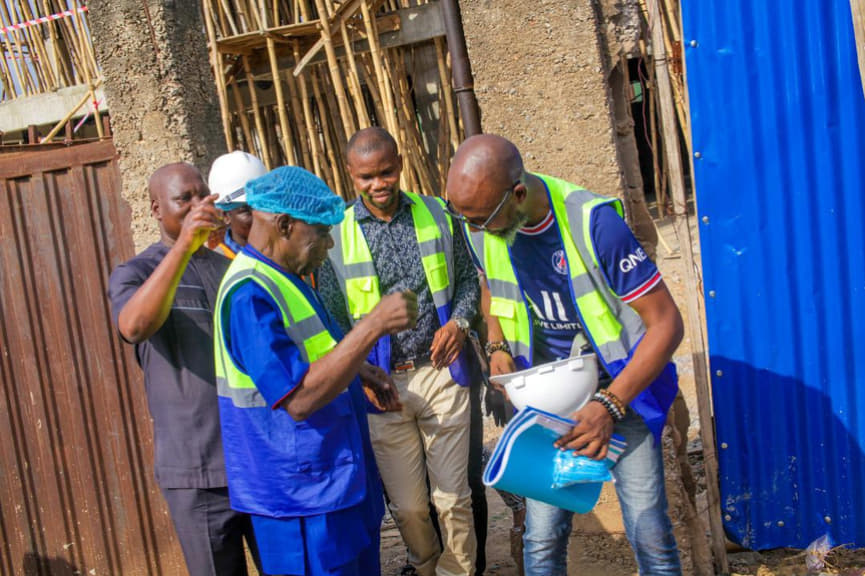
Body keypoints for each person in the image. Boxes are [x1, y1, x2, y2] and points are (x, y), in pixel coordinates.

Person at [445, 134, 684, 576]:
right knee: (541, 538)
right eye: (465, 219)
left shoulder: (593, 224)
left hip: (621, 394)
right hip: (549, 401)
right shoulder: (479, 224)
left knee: (649, 532)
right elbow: (488, 287)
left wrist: (609, 404)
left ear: (517, 194)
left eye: (480, 219)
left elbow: (667, 323)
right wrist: (496, 344)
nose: (472, 230)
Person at [213, 165, 417, 576]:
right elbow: (300, 399)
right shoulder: (249, 294)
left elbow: (310, 355)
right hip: (300, 501)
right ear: (285, 224)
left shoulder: (288, 277)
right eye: (321, 232)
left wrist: (358, 370)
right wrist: (371, 327)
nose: (328, 244)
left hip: (334, 483)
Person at [317, 127, 480, 576]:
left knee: (453, 499)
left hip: (441, 373)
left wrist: (460, 323)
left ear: (400, 163)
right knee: (409, 508)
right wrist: (359, 374)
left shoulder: (437, 213)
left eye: (386, 172)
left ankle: (458, 573)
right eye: (367, 177)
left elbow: (468, 279)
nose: (379, 184)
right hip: (381, 386)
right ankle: (425, 565)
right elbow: (331, 321)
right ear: (351, 175)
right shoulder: (335, 235)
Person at [108, 163, 257, 576]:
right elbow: (135, 326)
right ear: (156, 210)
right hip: (196, 474)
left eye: (201, 195)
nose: (197, 205)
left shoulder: (227, 269)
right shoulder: (135, 273)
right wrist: (184, 246)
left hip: (253, 462)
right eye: (183, 199)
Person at [208, 151, 267, 258]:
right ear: (225, 216)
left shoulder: (288, 255)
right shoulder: (217, 265)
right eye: (247, 210)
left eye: (263, 205)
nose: (260, 215)